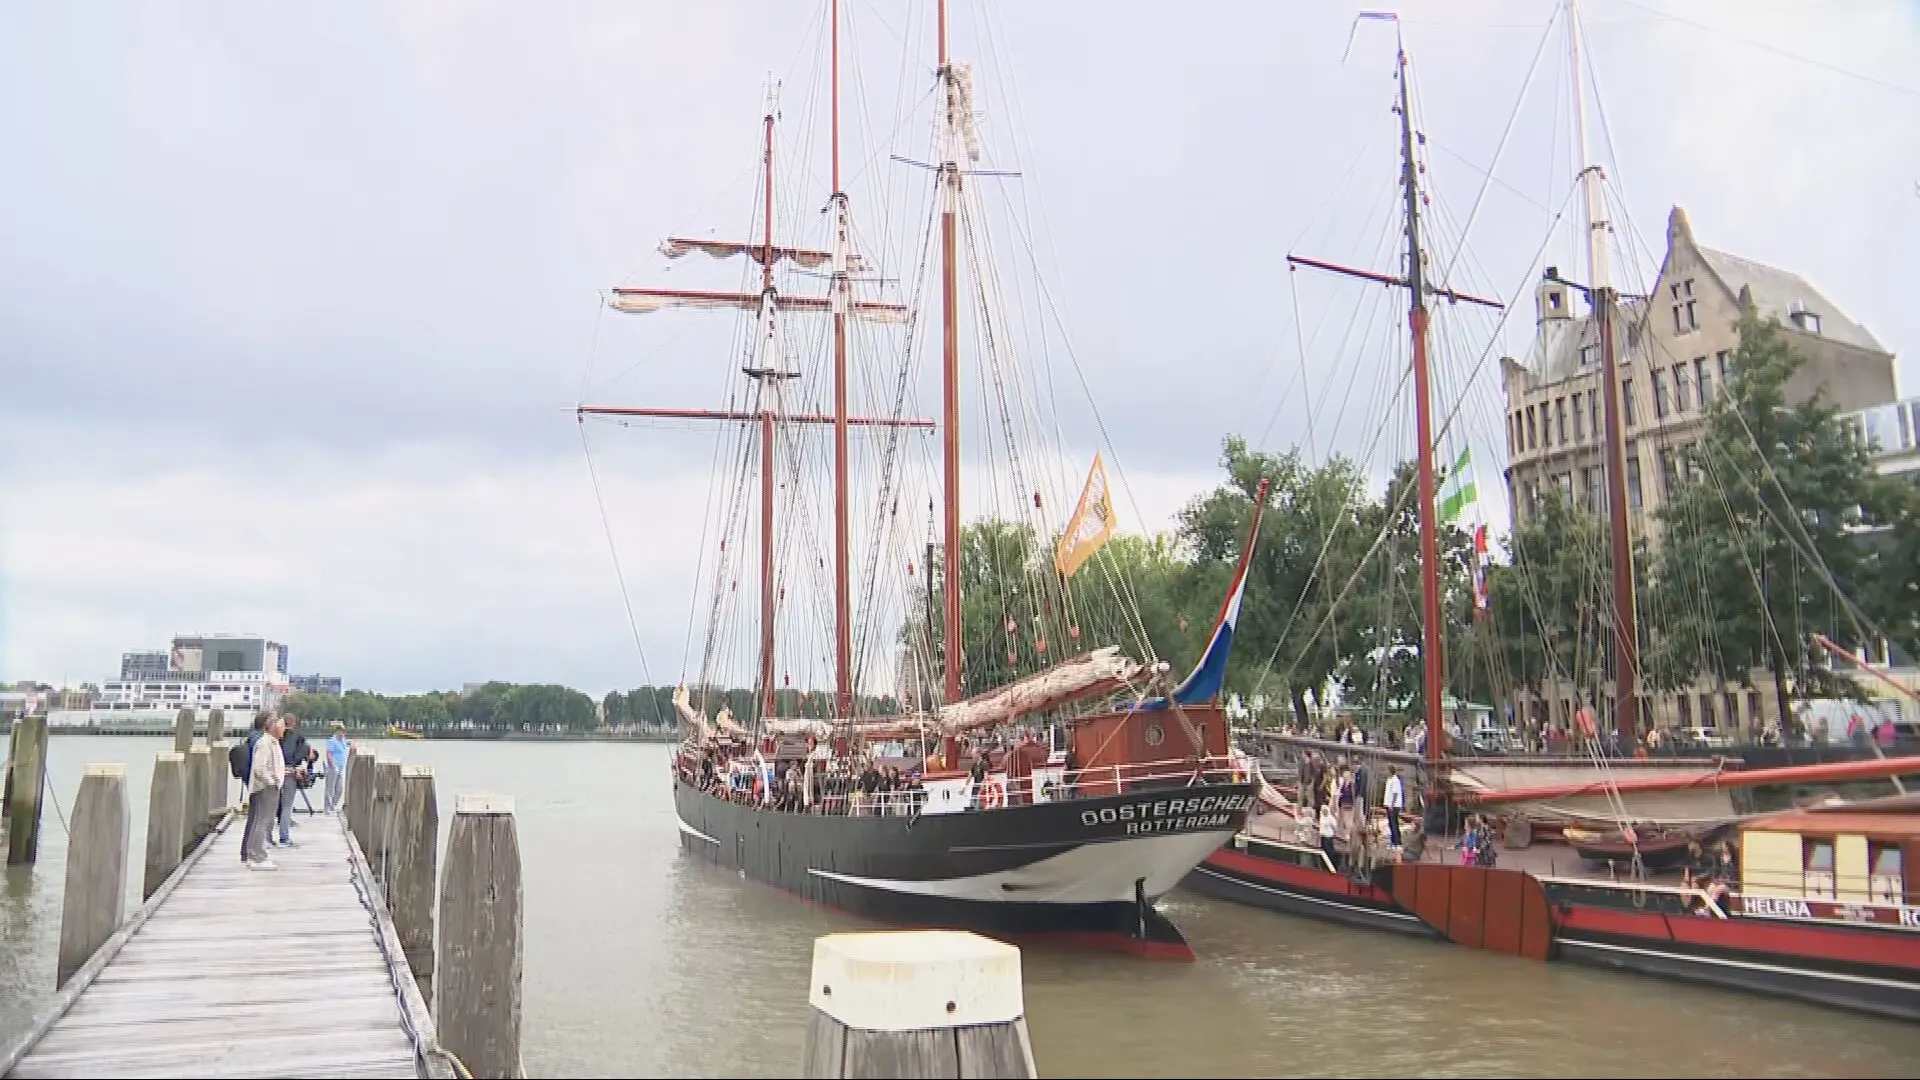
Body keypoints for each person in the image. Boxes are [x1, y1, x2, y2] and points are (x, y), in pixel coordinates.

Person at [245, 714, 287, 870]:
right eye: (281, 726)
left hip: (270, 786)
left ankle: (253, 854)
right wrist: (272, 782)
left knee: (261, 821)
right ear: (273, 727)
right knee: (262, 822)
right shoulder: (265, 743)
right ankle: (258, 857)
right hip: (265, 788)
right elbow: (259, 767)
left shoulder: (273, 743)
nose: (284, 729)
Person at [276, 715, 310, 846]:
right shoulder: (299, 737)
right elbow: (303, 755)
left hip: (276, 772)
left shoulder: (276, 737)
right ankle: (284, 837)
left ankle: (267, 837)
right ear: (294, 723)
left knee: (272, 806)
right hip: (291, 772)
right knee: (287, 806)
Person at [324, 722, 351, 814]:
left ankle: (333, 806)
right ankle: (327, 808)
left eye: (344, 731)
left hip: (341, 768)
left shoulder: (343, 741)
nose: (343, 733)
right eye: (341, 731)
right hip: (333, 767)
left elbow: (349, 743)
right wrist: (332, 765)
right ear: (337, 731)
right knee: (330, 788)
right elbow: (328, 754)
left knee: (339, 789)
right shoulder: (332, 741)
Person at [1382, 766, 1405, 848]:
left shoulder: (1395, 780)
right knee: (1391, 824)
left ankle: (1397, 842)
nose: (1385, 772)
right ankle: (1393, 841)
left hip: (1394, 806)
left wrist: (1392, 804)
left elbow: (1395, 793)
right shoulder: (1389, 780)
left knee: (1394, 824)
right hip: (1389, 805)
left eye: (1386, 770)